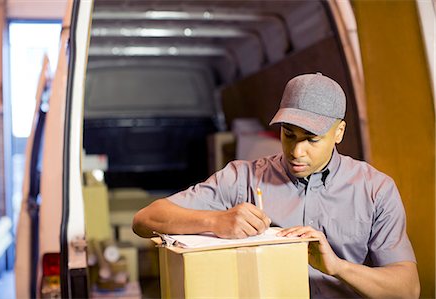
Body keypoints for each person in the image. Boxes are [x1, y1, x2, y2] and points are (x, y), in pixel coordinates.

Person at [132, 73, 420, 298]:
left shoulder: (375, 190)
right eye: (289, 134)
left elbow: (407, 290)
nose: (296, 151)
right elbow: (144, 220)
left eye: (311, 139)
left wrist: (338, 267)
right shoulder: (241, 179)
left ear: (339, 132)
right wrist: (216, 220)